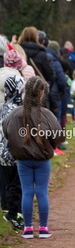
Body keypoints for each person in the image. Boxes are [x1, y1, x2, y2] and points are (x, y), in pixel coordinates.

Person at [2, 76, 65, 238]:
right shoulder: (47, 114)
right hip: (43, 160)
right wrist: (49, 144)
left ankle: (28, 228)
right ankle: (43, 228)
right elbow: (59, 136)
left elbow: (6, 131)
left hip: (23, 160)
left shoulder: (15, 114)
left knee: (27, 192)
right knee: (42, 192)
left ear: (25, 91)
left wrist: (18, 144)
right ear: (42, 92)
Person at [0, 75, 26, 230]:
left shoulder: (5, 106)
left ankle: (10, 211)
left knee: (8, 183)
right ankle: (14, 214)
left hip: (3, 151)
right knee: (16, 185)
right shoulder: (15, 109)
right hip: (12, 151)